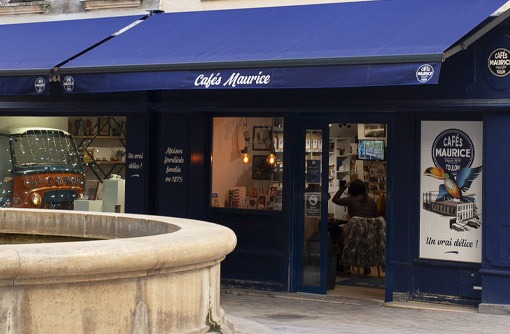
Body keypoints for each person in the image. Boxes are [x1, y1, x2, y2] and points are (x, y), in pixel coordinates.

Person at [332, 179, 379, 275]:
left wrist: (344, 187)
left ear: (352, 190)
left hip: (354, 234)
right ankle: (366, 267)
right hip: (370, 235)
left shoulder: (351, 200)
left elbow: (335, 199)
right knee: (364, 244)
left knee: (340, 240)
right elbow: (375, 216)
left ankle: (346, 266)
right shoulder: (372, 201)